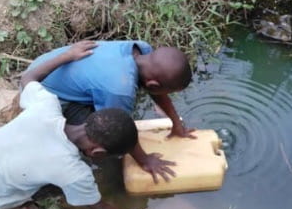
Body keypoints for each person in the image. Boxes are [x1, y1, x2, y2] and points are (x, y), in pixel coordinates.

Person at [0, 41, 162, 209]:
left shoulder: (46, 104)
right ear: (97, 152)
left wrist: (67, 55)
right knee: (49, 207)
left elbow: (29, 77)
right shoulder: (74, 173)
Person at [27, 40, 197, 182]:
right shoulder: (120, 88)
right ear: (153, 84)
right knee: (106, 138)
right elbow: (118, 129)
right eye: (167, 91)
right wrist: (145, 160)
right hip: (42, 90)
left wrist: (176, 123)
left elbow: (157, 92)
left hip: (44, 67)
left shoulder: (141, 50)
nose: (166, 95)